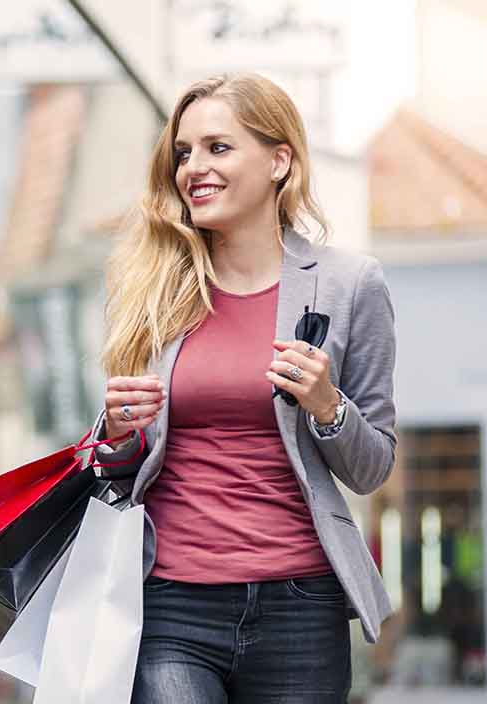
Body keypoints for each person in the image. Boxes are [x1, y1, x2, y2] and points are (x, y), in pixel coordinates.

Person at [87, 73, 398, 702]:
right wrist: (115, 432)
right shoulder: (154, 288)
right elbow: (118, 469)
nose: (192, 168)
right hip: (171, 601)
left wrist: (327, 406)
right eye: (183, 153)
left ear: (279, 160)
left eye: (217, 148)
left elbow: (372, 468)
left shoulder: (349, 285)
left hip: (299, 606)